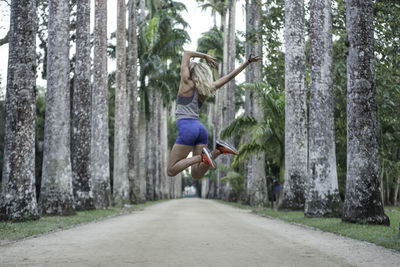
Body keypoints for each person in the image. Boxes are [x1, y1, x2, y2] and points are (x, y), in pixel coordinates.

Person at [167, 50, 261, 179]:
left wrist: (204, 56)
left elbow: (186, 53)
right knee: (196, 174)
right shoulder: (207, 88)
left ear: (191, 72)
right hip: (200, 130)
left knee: (171, 170)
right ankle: (217, 151)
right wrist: (247, 62)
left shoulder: (186, 83)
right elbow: (229, 77)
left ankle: (202, 156)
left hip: (187, 127)